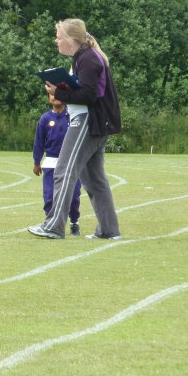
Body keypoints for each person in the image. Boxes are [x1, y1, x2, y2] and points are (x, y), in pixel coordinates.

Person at [28, 18, 122, 240]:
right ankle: (108, 230)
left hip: (87, 121)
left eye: (59, 37)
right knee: (94, 179)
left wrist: (58, 92)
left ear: (71, 40)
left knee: (63, 170)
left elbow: (89, 95)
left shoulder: (88, 58)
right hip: (93, 121)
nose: (56, 41)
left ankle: (54, 226)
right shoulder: (84, 57)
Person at [33, 92, 82, 236]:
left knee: (73, 195)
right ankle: (50, 223)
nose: (55, 97)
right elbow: (39, 141)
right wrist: (37, 162)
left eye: (58, 94)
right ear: (48, 98)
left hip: (71, 161)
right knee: (49, 195)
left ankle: (74, 223)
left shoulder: (73, 117)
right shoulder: (45, 118)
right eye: (51, 95)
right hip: (51, 162)